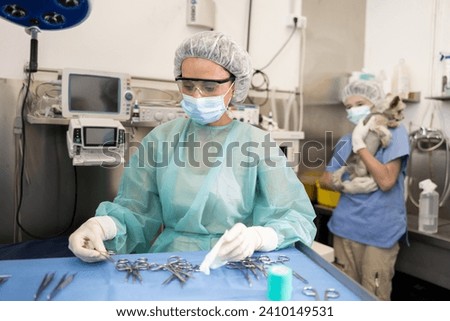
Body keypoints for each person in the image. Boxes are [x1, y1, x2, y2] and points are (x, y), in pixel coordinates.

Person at [68, 31, 316, 265]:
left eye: (209, 88)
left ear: (234, 86)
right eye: (188, 86)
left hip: (235, 262)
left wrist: (258, 238)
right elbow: (136, 210)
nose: (197, 96)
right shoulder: (161, 139)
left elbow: (295, 217)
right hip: (170, 262)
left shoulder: (258, 145)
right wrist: (102, 226)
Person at [319, 80, 409, 300]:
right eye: (349, 107)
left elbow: (386, 180)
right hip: (344, 228)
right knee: (344, 296)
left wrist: (360, 146)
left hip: (379, 233)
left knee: (372, 297)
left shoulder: (395, 135)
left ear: (375, 105)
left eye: (360, 103)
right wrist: (351, 182)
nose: (353, 110)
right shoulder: (345, 140)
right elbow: (326, 179)